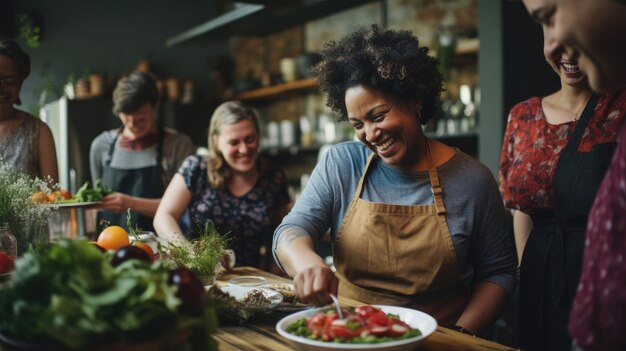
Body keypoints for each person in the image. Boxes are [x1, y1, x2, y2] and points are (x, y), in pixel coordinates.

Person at [272, 25, 517, 335]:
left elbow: (499, 273)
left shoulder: (472, 179)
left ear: (414, 99)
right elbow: (290, 231)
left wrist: (459, 335)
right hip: (349, 334)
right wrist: (305, 261)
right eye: (357, 124)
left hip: (439, 340)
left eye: (378, 115)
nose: (370, 135)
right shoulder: (341, 164)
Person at [499, 3, 626, 349]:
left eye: (555, 16)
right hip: (540, 278)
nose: (559, 46)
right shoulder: (522, 116)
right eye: (544, 23)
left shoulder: (619, 106)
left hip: (600, 277)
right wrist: (528, 273)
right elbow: (520, 208)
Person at [154, 101, 290, 268]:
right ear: (216, 141)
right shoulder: (196, 168)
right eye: (234, 142)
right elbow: (163, 216)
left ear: (258, 135)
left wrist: (276, 277)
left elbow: (282, 233)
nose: (244, 149)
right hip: (201, 275)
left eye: (250, 139)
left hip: (252, 281)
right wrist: (189, 253)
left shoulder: (273, 176)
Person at [90, 71, 194, 232]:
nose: (133, 125)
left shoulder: (178, 145)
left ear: (155, 106)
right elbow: (98, 204)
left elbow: (183, 209)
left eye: (141, 118)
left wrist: (130, 203)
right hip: (110, 245)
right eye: (126, 117)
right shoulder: (101, 146)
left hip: (163, 247)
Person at [0, 38, 58, 183]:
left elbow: (53, 197)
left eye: (9, 80)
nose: (1, 88)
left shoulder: (38, 132)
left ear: (21, 81)